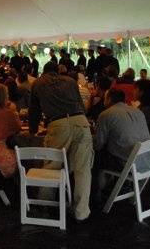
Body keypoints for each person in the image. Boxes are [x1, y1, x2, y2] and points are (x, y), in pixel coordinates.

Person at [28, 61, 93, 221]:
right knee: (83, 169)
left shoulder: (38, 83)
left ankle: (45, 206)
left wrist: (33, 130)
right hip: (81, 121)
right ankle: (81, 212)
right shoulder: (70, 81)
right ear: (57, 70)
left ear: (43, 71)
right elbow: (81, 106)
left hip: (58, 124)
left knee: (52, 165)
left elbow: (34, 110)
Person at [93, 89, 150, 197]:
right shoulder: (138, 111)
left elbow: (98, 144)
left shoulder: (106, 114)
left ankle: (97, 192)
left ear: (109, 99)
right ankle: (118, 184)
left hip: (127, 163)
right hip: (147, 160)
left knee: (95, 156)